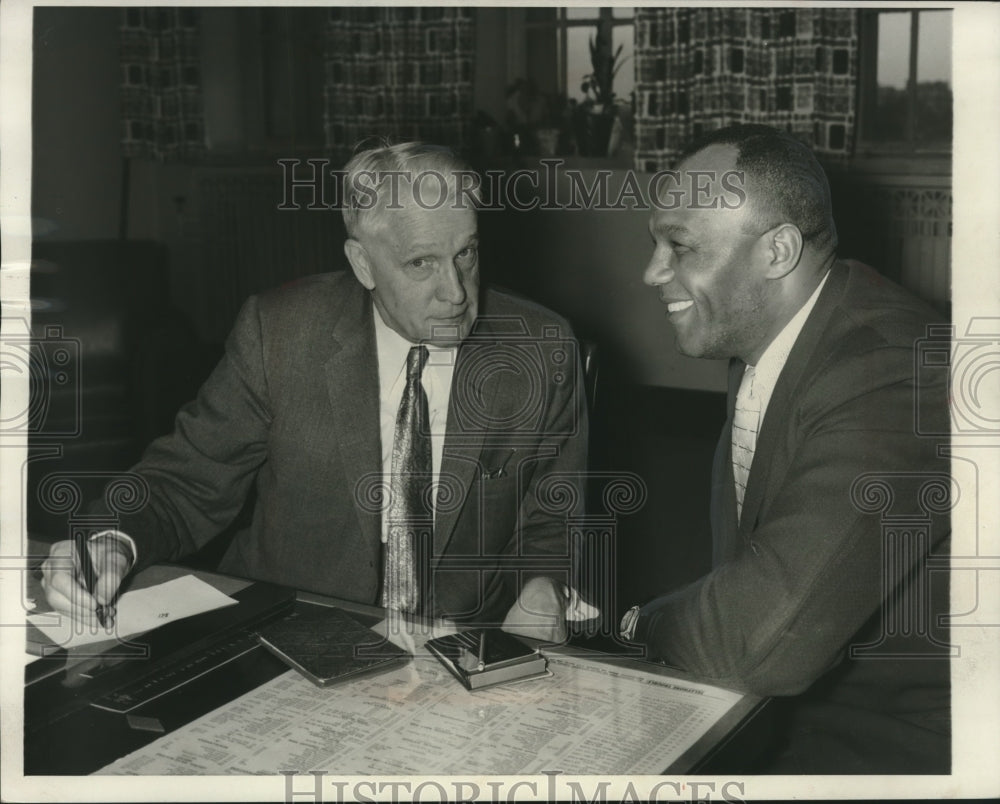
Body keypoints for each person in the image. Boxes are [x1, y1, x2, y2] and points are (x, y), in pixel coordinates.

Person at [41, 142, 595, 640]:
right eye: (421, 263)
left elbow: (554, 518)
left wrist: (542, 585)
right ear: (363, 263)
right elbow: (185, 480)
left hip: (456, 646)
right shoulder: (279, 333)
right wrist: (112, 539)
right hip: (284, 629)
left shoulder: (541, 350)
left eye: (465, 254)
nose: (455, 292)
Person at [620, 124, 951, 773]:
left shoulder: (892, 372)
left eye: (679, 247)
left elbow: (759, 644)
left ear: (776, 251)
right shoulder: (779, 336)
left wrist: (632, 628)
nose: (651, 271)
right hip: (801, 700)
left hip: (908, 737)